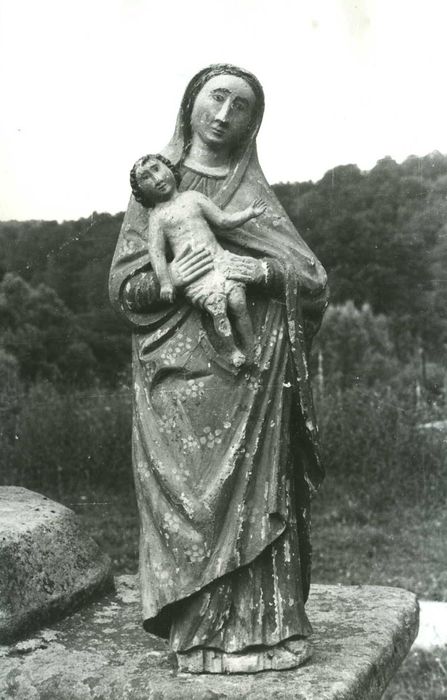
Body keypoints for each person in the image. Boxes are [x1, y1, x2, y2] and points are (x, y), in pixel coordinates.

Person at [109, 64, 328, 674]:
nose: (225, 114)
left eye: (241, 106)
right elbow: (126, 288)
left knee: (258, 505)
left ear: (252, 124)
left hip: (251, 381)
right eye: (216, 98)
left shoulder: (250, 193)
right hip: (176, 383)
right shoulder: (155, 190)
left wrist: (253, 271)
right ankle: (198, 634)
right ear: (191, 105)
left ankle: (271, 626)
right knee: (190, 509)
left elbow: (310, 280)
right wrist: (183, 281)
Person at [130, 152, 267, 366]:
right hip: (197, 275)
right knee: (218, 308)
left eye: (156, 169)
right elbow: (156, 253)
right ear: (141, 191)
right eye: (145, 178)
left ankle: (251, 345)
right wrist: (166, 281)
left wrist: (248, 213)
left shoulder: (193, 197)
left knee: (238, 302)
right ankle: (232, 351)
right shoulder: (157, 217)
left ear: (169, 168)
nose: (156, 180)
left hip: (220, 262)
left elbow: (222, 220)